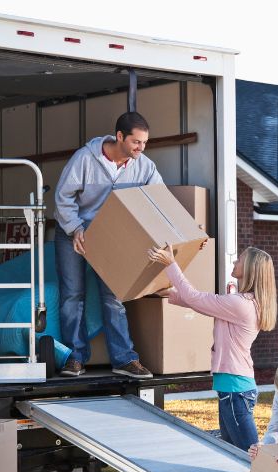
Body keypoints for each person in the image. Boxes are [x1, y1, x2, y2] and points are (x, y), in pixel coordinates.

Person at [148, 244, 277, 472]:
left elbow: (196, 298)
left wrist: (171, 264)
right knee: (234, 460)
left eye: (240, 259)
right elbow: (195, 302)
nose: (235, 260)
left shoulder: (242, 304)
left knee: (249, 462)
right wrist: (160, 293)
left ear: (251, 270)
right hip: (232, 389)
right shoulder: (241, 302)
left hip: (235, 390)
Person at [53, 111, 161, 378]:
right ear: (120, 137)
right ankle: (74, 358)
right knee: (72, 295)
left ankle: (124, 359)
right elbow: (62, 197)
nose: (141, 148)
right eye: (136, 142)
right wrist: (75, 228)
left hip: (112, 236)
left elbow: (158, 201)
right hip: (74, 231)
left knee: (114, 297)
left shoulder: (144, 166)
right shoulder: (84, 159)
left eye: (145, 143)